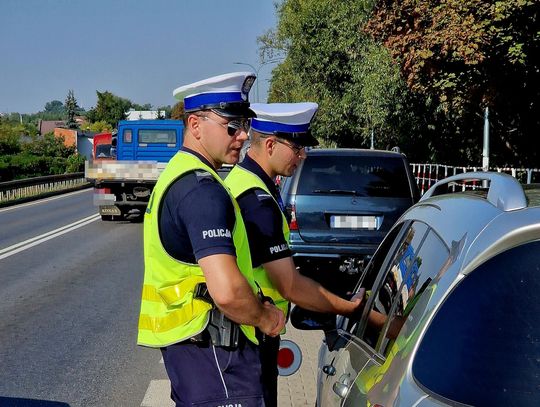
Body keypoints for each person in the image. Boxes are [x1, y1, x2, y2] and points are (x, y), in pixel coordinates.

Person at [137, 72, 286, 407]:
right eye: (232, 126)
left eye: (245, 124)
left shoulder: (179, 175)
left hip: (197, 357)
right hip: (218, 357)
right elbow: (228, 292)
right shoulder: (202, 190)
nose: (244, 135)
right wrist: (266, 318)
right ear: (196, 125)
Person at [224, 102, 363, 406]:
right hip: (250, 336)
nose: (303, 156)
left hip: (248, 330)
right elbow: (289, 285)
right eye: (297, 147)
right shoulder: (255, 199)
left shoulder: (249, 183)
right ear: (270, 144)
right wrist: (346, 308)